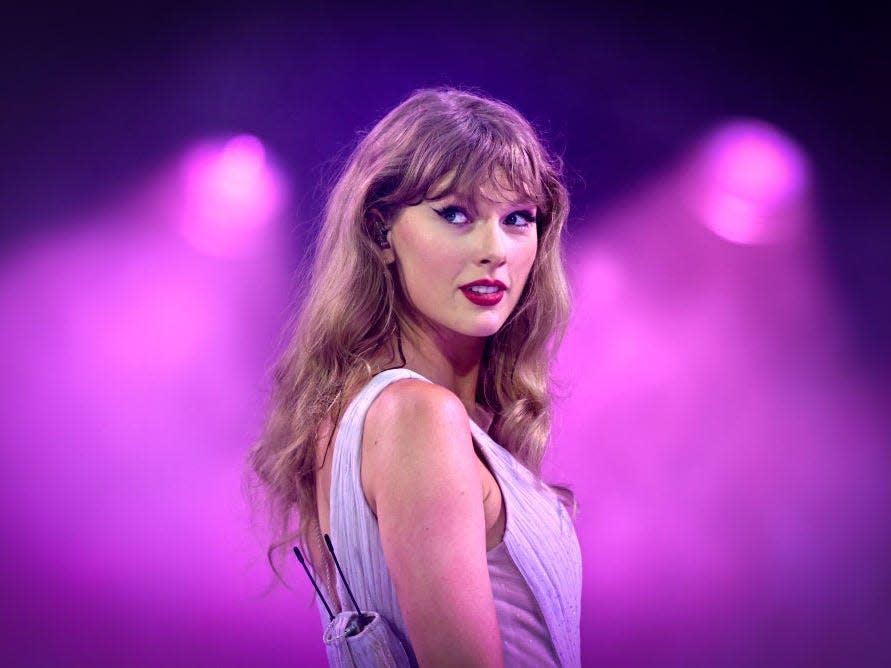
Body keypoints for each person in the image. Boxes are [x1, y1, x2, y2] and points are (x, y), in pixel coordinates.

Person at [249, 87, 581, 667]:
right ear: (380, 233)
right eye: (456, 214)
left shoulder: (365, 415)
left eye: (517, 218)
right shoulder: (416, 416)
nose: (494, 249)